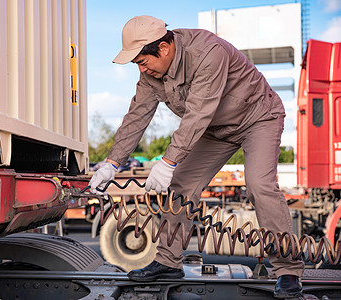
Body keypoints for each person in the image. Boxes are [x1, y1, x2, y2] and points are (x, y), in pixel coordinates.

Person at [89, 15, 304, 298]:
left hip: (257, 118)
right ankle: (168, 262)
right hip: (215, 129)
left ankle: (287, 270)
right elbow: (136, 117)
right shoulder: (150, 75)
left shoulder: (207, 52)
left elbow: (198, 113)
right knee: (180, 185)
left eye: (142, 61)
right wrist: (111, 163)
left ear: (164, 48)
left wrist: (167, 162)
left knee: (260, 186)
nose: (141, 68)